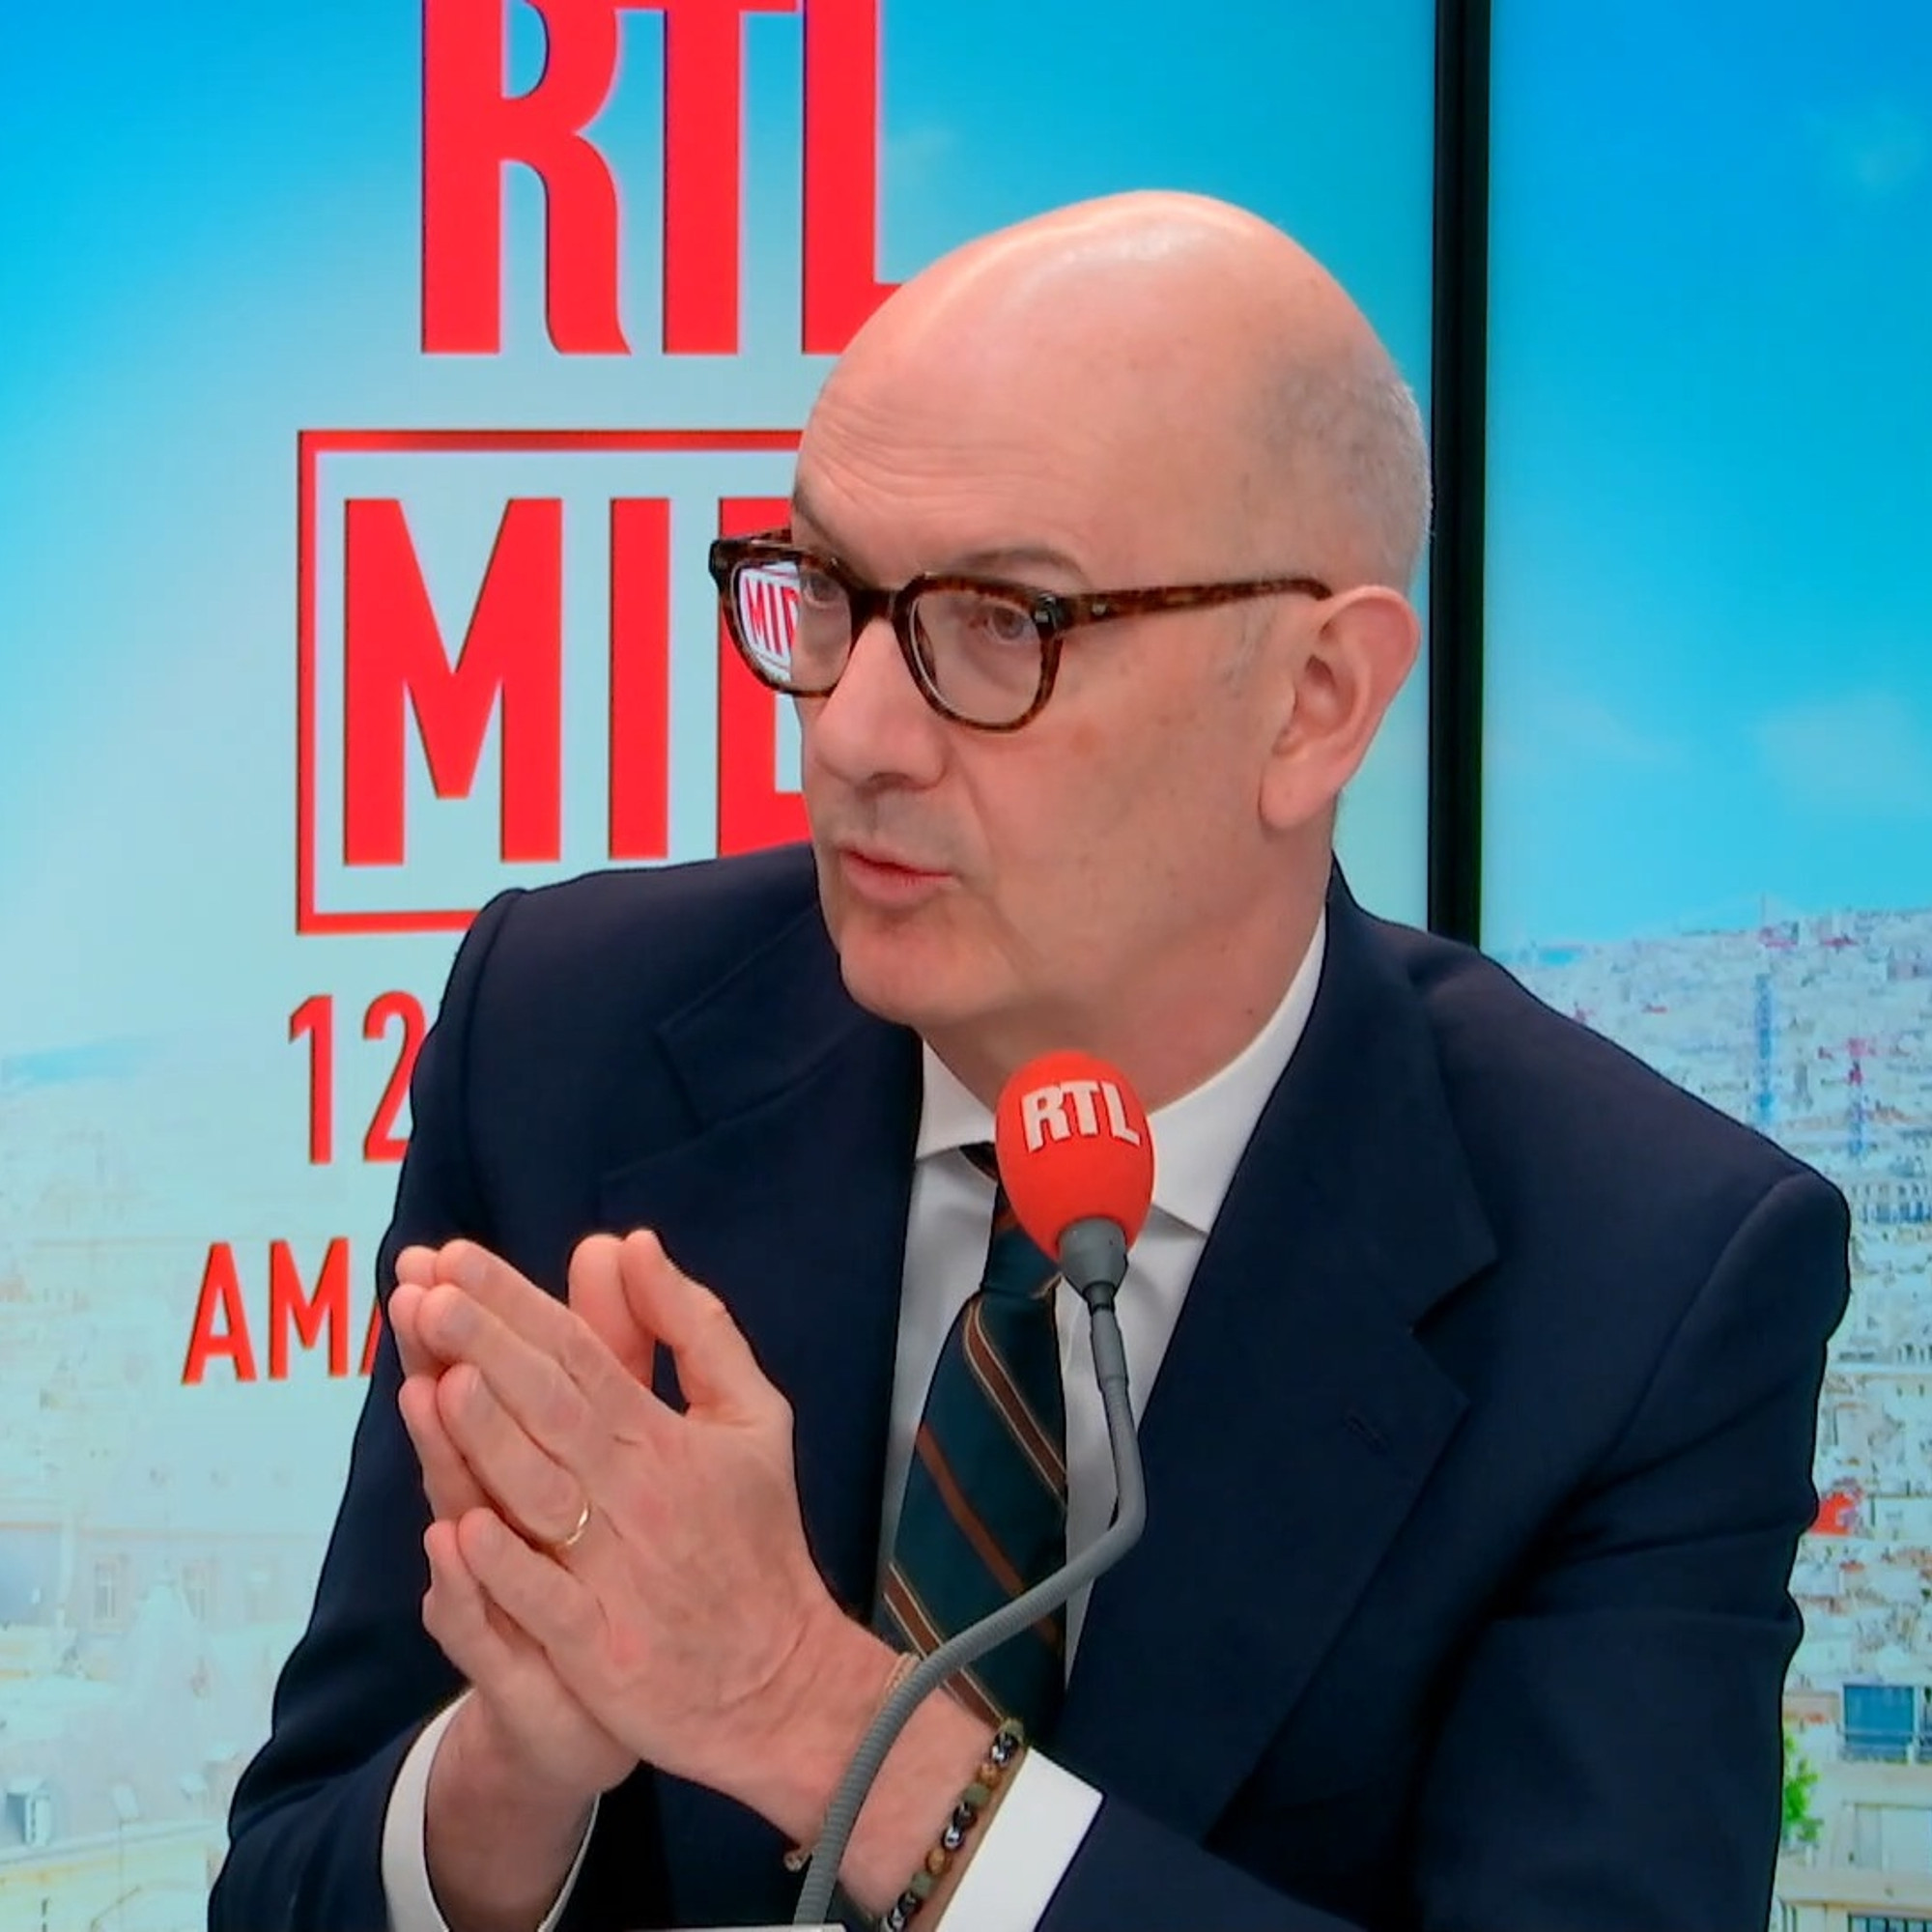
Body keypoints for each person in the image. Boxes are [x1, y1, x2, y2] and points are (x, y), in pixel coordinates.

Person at [211, 191, 1849, 1932]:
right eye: (824, 593)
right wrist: (511, 1774)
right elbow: (286, 1881)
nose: (853, 732)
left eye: (1004, 623)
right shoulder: (570, 1034)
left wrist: (804, 1711)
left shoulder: (1646, 1278)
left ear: (1315, 701)